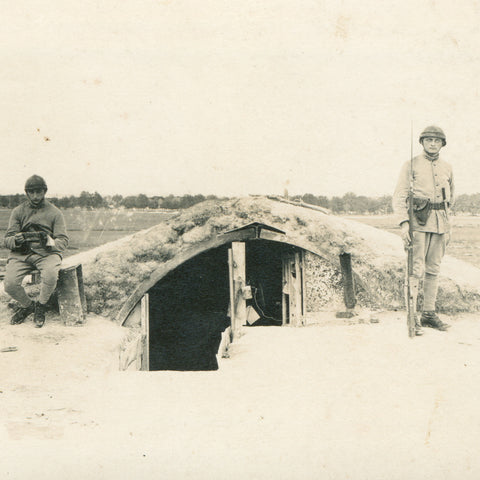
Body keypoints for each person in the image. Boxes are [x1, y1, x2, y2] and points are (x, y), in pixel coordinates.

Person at [393, 126, 454, 334]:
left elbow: (450, 198)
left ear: (442, 144)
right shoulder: (410, 165)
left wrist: (447, 225)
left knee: (433, 270)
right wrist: (404, 223)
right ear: (422, 142)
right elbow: (400, 196)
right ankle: (412, 317)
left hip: (440, 224)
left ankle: (428, 314)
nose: (433, 144)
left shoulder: (447, 167)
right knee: (415, 270)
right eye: (428, 140)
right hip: (418, 224)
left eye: (437, 141)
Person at [4, 175, 69, 327]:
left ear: (44, 192)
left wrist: (48, 241)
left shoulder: (55, 213)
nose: (35, 196)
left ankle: (41, 305)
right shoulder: (18, 212)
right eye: (31, 192)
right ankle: (28, 306)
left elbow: (63, 241)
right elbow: (7, 239)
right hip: (22, 254)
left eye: (38, 192)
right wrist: (16, 240)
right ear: (26, 193)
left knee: (51, 275)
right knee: (9, 284)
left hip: (46, 254)